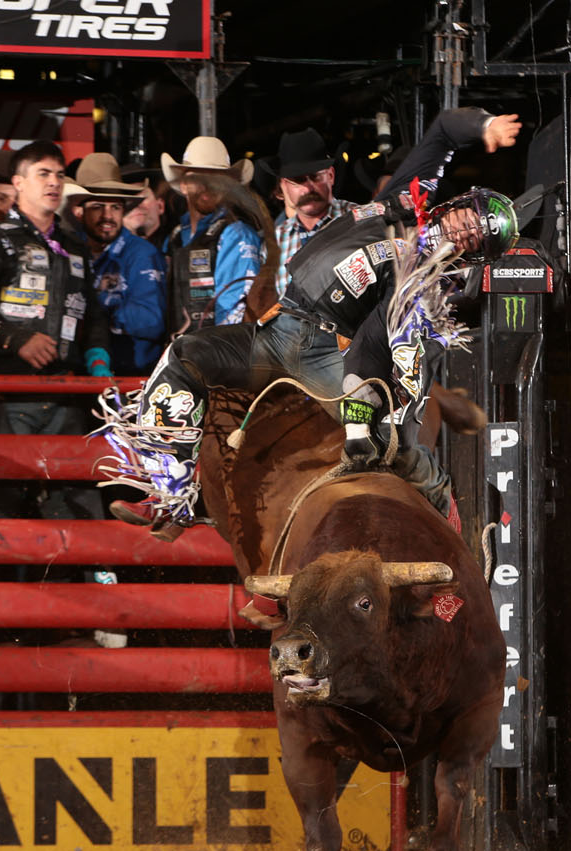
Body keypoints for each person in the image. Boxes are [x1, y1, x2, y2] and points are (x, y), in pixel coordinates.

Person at [106, 108, 521, 536]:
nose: (465, 231)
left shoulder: (427, 281)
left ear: (474, 253)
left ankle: (445, 514)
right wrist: (483, 125)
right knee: (184, 355)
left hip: (327, 352)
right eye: (469, 219)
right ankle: (172, 495)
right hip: (278, 329)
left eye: (475, 237)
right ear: (456, 205)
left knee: (390, 443)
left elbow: (380, 338)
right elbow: (443, 132)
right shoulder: (404, 199)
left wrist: (362, 401)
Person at [0, 140, 109, 515]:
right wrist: (14, 337)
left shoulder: (74, 246)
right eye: (43, 174)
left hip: (68, 394)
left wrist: (99, 359)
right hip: (9, 395)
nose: (54, 182)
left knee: (78, 508)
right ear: (18, 182)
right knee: (0, 504)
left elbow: (93, 314)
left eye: (59, 175)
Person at [73, 153, 166, 376]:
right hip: (77, 376)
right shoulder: (68, 250)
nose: (108, 216)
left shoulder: (141, 253)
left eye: (115, 207)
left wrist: (95, 312)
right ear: (79, 212)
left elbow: (152, 320)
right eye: (98, 206)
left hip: (130, 378)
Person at [160, 136, 263, 334]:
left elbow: (235, 313)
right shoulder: (175, 237)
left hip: (215, 348)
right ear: (184, 185)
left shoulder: (236, 235)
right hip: (180, 347)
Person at [271, 127, 356, 298]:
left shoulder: (360, 219)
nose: (308, 188)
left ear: (330, 175)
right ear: (284, 185)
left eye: (315, 176)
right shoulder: (276, 240)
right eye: (298, 180)